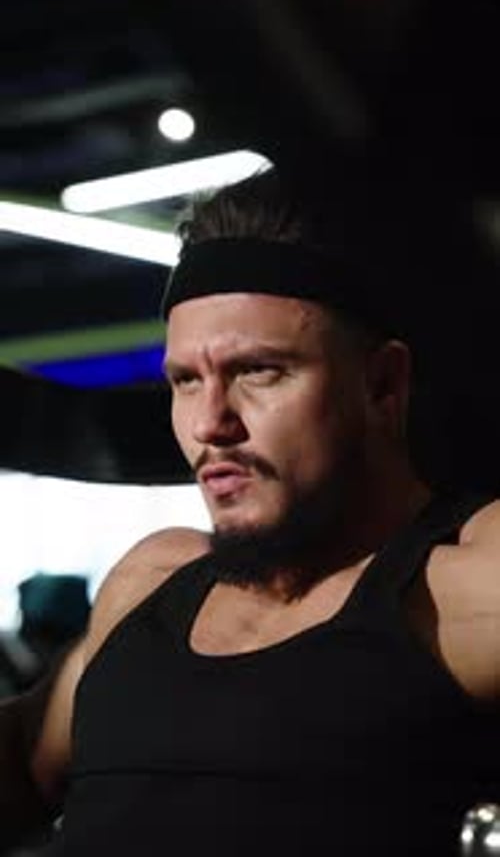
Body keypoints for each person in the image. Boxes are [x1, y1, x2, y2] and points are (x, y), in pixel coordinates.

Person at [1, 168, 499, 857]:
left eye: (259, 371)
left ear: (383, 386)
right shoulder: (152, 579)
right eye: (185, 381)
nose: (211, 423)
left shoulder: (460, 585)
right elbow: (24, 763)